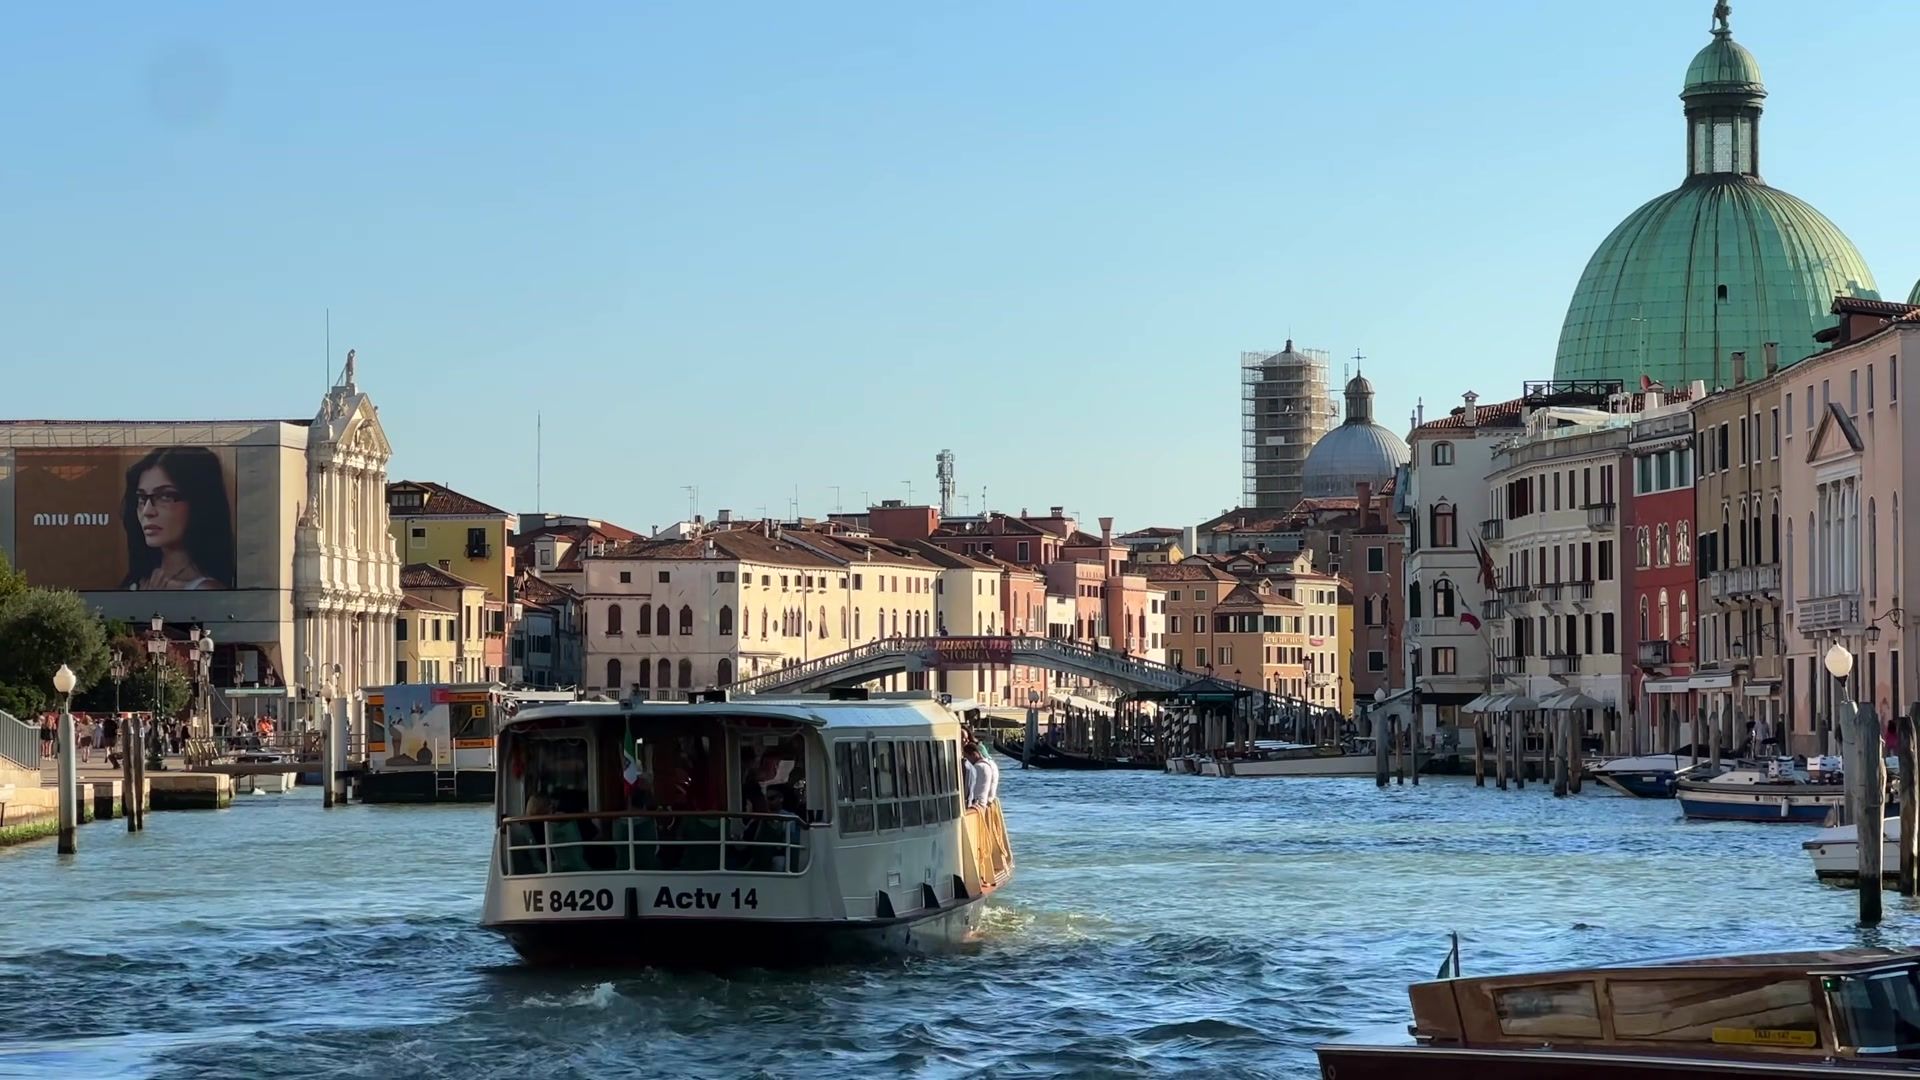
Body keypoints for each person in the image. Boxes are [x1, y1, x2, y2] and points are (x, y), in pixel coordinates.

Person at [120, 447, 236, 591]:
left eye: (166, 496)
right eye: (142, 498)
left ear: (199, 502)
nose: (147, 511)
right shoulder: (140, 578)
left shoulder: (205, 590)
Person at [963, 742, 989, 808]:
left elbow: (969, 789)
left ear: (973, 755)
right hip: (983, 803)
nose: (966, 761)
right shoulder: (986, 765)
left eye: (966, 757)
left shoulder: (977, 767)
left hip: (977, 805)